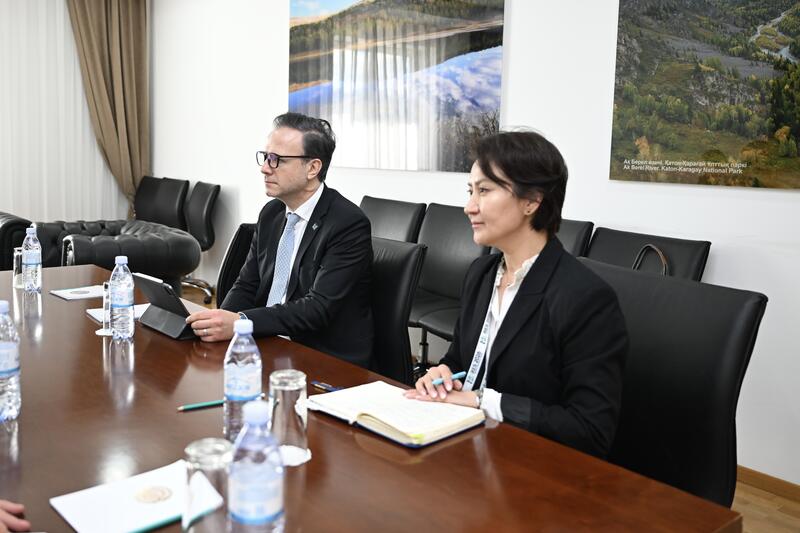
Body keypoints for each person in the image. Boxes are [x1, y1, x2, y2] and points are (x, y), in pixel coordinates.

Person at [404, 130, 628, 458]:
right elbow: (461, 359)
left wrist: (484, 401)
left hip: (534, 464)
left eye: (484, 191)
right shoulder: (482, 274)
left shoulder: (586, 298)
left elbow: (589, 430)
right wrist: (443, 373)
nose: (469, 207)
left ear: (532, 201)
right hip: (473, 448)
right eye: (470, 191)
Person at [186, 113, 374, 368]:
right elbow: (247, 284)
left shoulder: (347, 224)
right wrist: (220, 323)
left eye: (277, 160)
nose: (265, 168)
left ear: (313, 168)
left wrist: (241, 322)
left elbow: (317, 309)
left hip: (322, 356)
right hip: (270, 341)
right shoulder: (272, 213)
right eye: (266, 157)